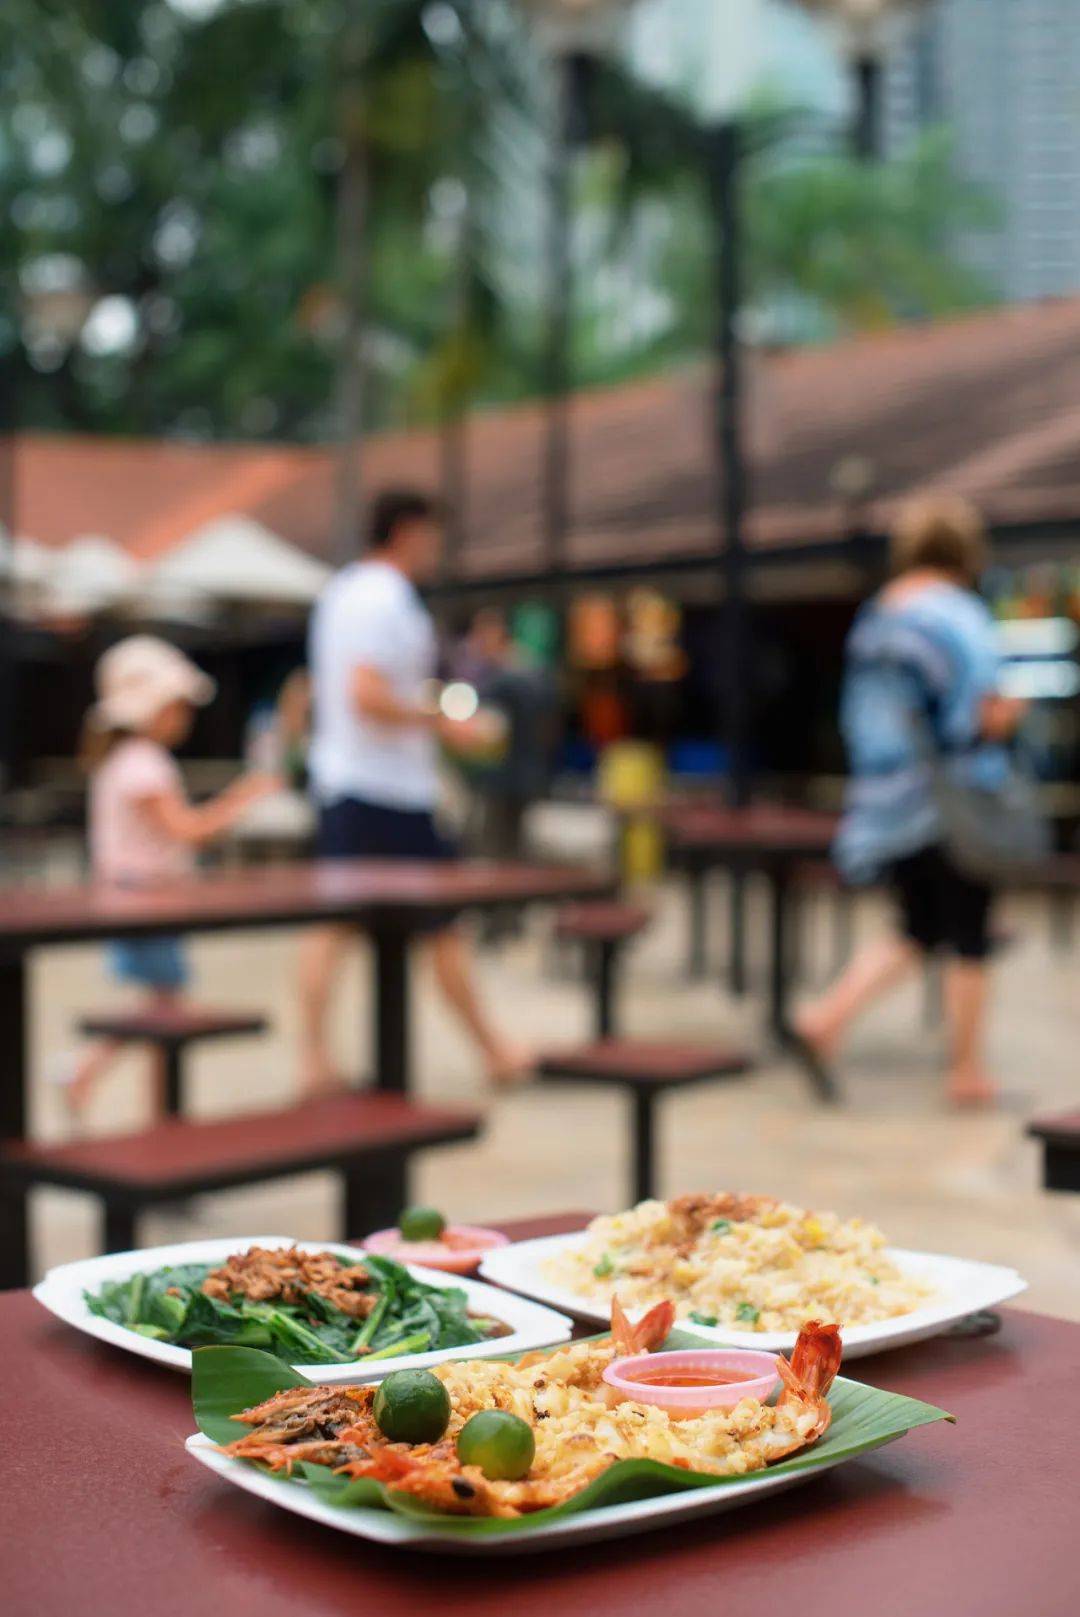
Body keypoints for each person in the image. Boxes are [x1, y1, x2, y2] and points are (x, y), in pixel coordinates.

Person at [792, 496, 1025, 1108]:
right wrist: (1003, 723)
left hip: (884, 799)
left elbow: (858, 717)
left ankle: (826, 1016)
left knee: (919, 927)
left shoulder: (877, 617)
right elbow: (974, 716)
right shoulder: (959, 616)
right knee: (969, 933)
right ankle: (967, 1069)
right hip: (949, 803)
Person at [297, 490, 529, 1094]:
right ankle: (493, 1050)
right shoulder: (384, 598)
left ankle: (316, 1059)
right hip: (385, 790)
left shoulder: (343, 591)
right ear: (407, 531)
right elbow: (365, 695)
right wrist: (447, 724)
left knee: (343, 927)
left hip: (354, 783)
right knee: (437, 927)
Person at [61, 636, 279, 1118]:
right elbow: (188, 831)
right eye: (176, 706)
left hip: (136, 899)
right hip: (144, 901)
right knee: (164, 1013)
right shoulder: (143, 764)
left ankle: (110, 1085)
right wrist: (244, 798)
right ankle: (153, 1111)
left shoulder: (120, 761)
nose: (184, 717)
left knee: (158, 1008)